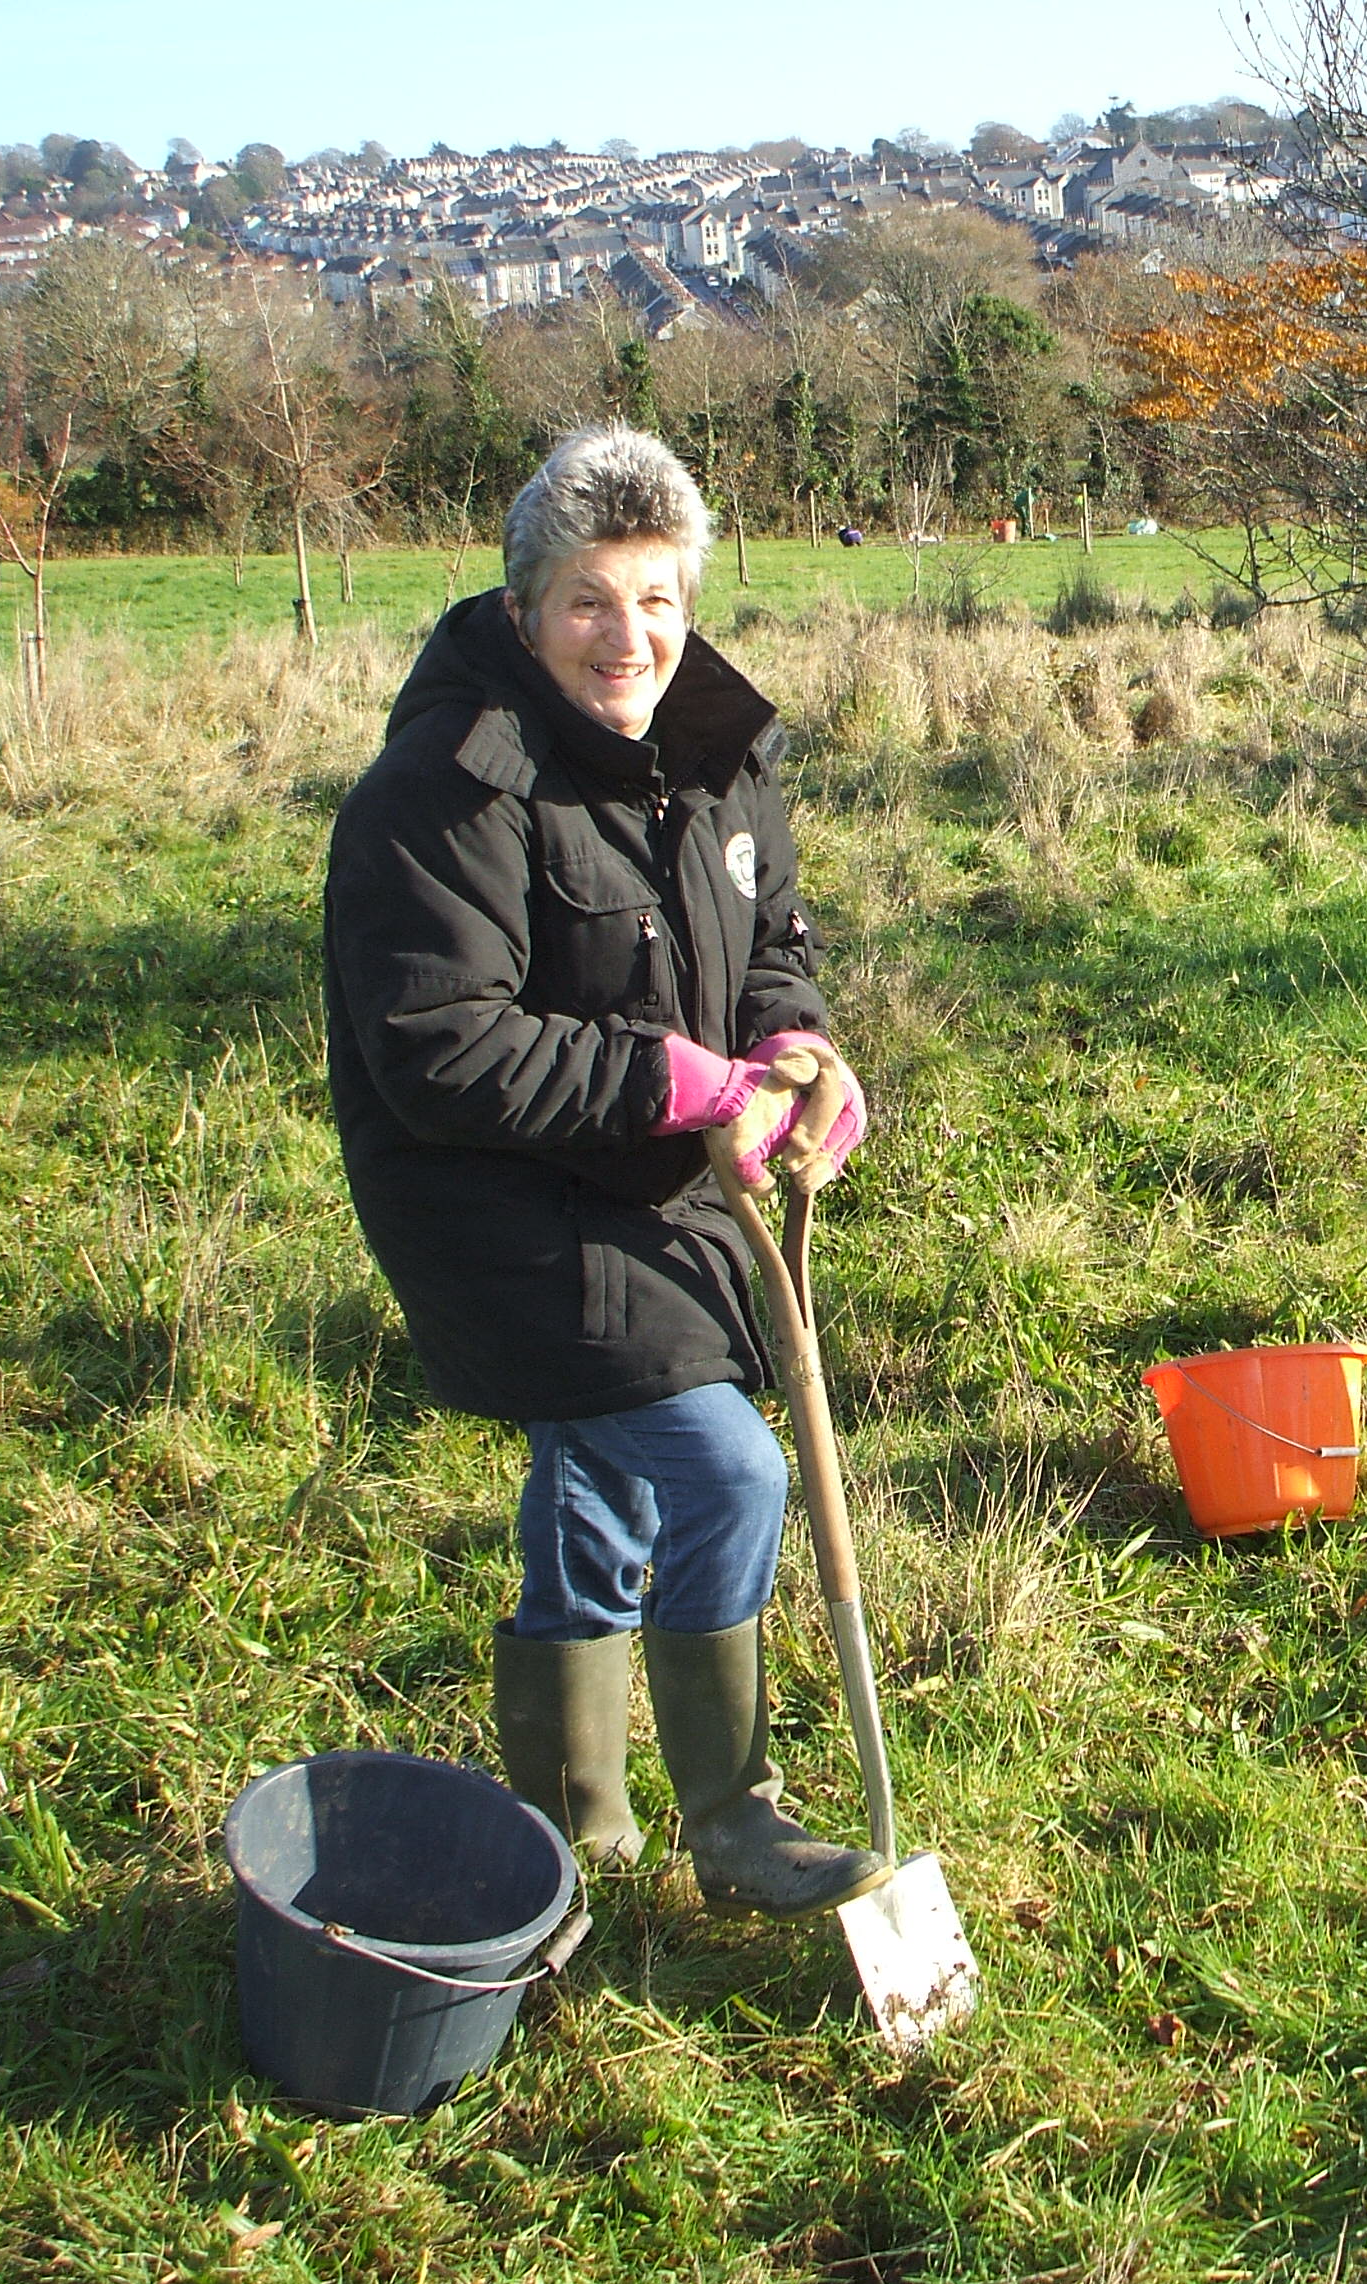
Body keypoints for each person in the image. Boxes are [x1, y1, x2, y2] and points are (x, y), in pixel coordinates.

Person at [322, 423, 883, 1920]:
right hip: (487, 1196)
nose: (626, 637)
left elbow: (770, 945)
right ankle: (737, 1816)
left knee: (604, 1485)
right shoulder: (443, 790)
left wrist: (798, 1056)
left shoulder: (720, 747)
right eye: (587, 600)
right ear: (521, 612)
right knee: (724, 1468)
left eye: (656, 597)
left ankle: (566, 1832)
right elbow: (436, 1047)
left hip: (659, 1181)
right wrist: (670, 1081)